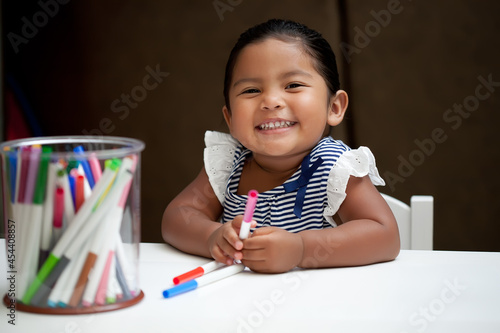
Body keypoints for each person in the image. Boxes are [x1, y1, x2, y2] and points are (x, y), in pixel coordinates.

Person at [162, 19, 400, 273]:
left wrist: (301, 249)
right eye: (252, 90)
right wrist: (212, 237)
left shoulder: (335, 168)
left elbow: (385, 235)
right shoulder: (228, 165)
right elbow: (177, 216)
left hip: (318, 305)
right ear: (230, 119)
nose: (271, 101)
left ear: (334, 107)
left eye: (293, 85)